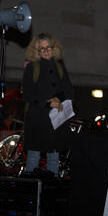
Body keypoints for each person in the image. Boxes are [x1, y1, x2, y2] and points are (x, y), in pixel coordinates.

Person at [22, 33, 74, 177]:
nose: (46, 51)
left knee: (53, 158)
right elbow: (27, 94)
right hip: (37, 120)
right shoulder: (32, 68)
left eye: (48, 48)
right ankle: (31, 192)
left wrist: (58, 99)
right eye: (42, 49)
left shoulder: (60, 67)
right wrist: (47, 103)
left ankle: (51, 192)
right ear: (36, 51)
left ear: (54, 48)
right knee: (33, 157)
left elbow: (69, 90)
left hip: (55, 120)